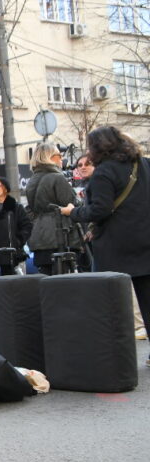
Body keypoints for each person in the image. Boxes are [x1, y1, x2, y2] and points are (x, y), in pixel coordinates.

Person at [62, 126, 150, 367]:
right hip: (145, 240)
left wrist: (74, 212)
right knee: (147, 299)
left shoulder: (104, 173)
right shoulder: (143, 164)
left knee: (110, 302)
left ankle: (115, 356)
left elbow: (100, 210)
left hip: (116, 245)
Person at [26, 142, 82, 275]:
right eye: (59, 155)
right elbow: (72, 204)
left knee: (47, 282)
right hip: (59, 237)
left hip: (39, 237)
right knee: (63, 283)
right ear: (49, 157)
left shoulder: (32, 180)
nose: (61, 158)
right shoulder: (57, 178)